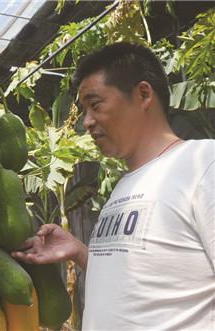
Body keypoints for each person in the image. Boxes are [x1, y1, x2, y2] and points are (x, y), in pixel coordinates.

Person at [13, 42, 214, 330]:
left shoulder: (203, 165)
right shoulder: (125, 185)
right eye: (84, 110)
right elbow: (139, 282)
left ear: (143, 94)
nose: (87, 122)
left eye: (95, 105)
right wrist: (79, 251)